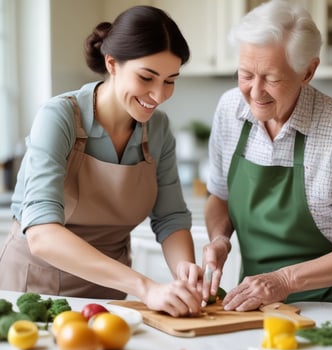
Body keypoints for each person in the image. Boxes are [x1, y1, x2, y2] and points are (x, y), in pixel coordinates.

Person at [0, 5, 204, 317]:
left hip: (109, 293)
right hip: (35, 288)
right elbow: (42, 234)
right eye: (147, 77)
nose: (159, 94)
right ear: (112, 63)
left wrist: (185, 273)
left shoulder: (158, 129)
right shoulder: (61, 117)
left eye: (170, 80)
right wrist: (147, 288)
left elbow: (171, 218)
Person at [201, 0, 332, 311]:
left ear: (308, 71)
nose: (255, 92)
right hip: (255, 308)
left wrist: (283, 280)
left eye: (271, 78)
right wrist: (219, 239)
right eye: (245, 75)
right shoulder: (230, 109)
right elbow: (219, 196)